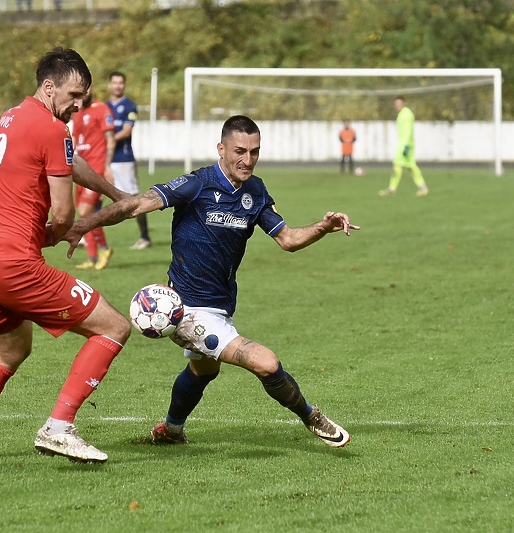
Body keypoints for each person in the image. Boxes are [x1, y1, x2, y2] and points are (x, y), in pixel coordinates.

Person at [62, 115, 358, 449]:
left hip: (220, 307)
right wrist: (85, 224)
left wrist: (322, 226)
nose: (247, 160)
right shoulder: (198, 184)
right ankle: (311, 416)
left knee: (204, 371)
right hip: (185, 310)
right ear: (221, 148)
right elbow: (136, 205)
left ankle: (171, 430)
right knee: (266, 362)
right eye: (239, 151)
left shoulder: (256, 191)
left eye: (254, 152)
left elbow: (288, 239)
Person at [0, 47, 131, 465]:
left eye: (85, 96)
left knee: (11, 351)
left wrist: (115, 194)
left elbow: (69, 162)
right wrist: (64, 232)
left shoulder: (12, 117)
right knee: (114, 327)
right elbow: (63, 214)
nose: (80, 104)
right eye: (74, 94)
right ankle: (59, 427)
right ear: (49, 86)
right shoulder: (53, 130)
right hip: (14, 264)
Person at [71, 89, 116, 270]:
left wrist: (107, 167)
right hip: (80, 169)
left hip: (95, 170)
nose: (83, 92)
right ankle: (92, 257)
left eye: (86, 88)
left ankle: (104, 248)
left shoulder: (101, 109)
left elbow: (110, 141)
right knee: (84, 215)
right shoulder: (77, 112)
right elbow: (75, 140)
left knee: (84, 212)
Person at [107, 71, 151, 250]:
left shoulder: (130, 106)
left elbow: (126, 131)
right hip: (105, 159)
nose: (118, 86)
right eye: (115, 82)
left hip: (123, 160)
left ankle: (145, 237)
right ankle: (88, 237)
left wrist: (108, 140)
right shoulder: (103, 108)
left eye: (121, 83)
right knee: (94, 195)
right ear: (109, 85)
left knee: (133, 199)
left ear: (124, 85)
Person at [379, 97, 428, 197]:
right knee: (411, 166)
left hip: (405, 144)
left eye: (399, 103)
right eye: (396, 103)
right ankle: (423, 187)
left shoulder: (406, 114)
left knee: (397, 165)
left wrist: (405, 146)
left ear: (404, 103)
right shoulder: (403, 113)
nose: (397, 105)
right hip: (407, 143)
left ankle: (392, 189)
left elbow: (407, 130)